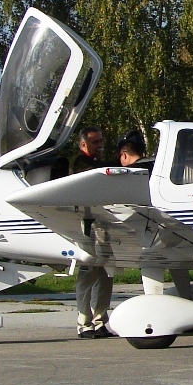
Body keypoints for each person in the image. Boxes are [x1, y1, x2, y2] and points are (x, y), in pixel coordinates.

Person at [71, 126, 114, 339]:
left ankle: (100, 321)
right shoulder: (79, 164)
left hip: (104, 223)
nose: (100, 145)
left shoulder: (101, 165)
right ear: (83, 145)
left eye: (101, 141)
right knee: (88, 273)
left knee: (106, 274)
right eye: (95, 142)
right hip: (86, 223)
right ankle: (84, 323)